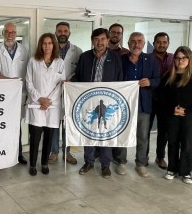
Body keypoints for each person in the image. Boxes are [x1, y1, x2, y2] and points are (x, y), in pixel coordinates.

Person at [73, 28, 122, 178]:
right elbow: (78, 77)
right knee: (89, 131)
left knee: (105, 133)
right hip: (88, 102)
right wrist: (69, 84)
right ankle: (88, 162)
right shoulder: (85, 57)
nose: (99, 42)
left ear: (107, 40)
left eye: (102, 39)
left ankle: (105, 165)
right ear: (92, 41)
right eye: (96, 39)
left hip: (107, 102)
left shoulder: (115, 58)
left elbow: (120, 79)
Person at [157, 46, 192, 184]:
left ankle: (185, 171)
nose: (181, 60)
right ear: (174, 60)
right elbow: (161, 96)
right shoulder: (168, 75)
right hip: (171, 114)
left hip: (190, 115)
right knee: (172, 141)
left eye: (184, 58)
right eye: (178, 58)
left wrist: (187, 111)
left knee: (187, 143)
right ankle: (172, 169)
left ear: (189, 59)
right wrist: (171, 109)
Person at [113, 32, 160, 177]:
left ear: (144, 44)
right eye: (133, 41)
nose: (136, 44)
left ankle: (141, 164)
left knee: (143, 137)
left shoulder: (151, 60)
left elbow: (159, 79)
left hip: (143, 105)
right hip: (123, 106)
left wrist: (151, 82)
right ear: (128, 44)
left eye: (139, 41)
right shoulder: (120, 59)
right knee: (123, 134)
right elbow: (114, 79)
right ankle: (121, 161)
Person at [25, 33, 65, 176]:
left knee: (49, 137)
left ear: (54, 45)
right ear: (40, 45)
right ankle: (32, 165)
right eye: (44, 43)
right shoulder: (33, 61)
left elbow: (61, 84)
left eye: (50, 43)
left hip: (53, 106)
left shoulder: (60, 62)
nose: (47, 46)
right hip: (36, 104)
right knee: (35, 137)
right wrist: (39, 99)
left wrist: (48, 101)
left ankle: (44, 163)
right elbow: (29, 82)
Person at [0, 22, 29, 164]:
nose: (10, 35)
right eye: (7, 32)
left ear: (16, 34)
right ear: (3, 33)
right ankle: (1, 153)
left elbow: (28, 73)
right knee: (1, 125)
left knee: (16, 126)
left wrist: (27, 93)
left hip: (19, 94)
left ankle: (18, 154)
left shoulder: (24, 50)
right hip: (2, 95)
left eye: (13, 32)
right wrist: (8, 81)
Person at [48, 21, 82, 165]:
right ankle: (54, 152)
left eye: (65, 31)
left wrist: (71, 80)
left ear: (69, 33)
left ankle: (67, 152)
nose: (62, 33)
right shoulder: (49, 49)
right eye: (60, 31)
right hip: (52, 91)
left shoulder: (78, 51)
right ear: (56, 33)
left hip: (70, 92)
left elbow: (80, 72)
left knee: (68, 124)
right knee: (54, 123)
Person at [148, 32, 174, 169]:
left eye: (164, 42)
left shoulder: (173, 58)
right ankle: (143, 157)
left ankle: (160, 157)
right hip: (149, 99)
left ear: (168, 44)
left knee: (163, 131)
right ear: (154, 43)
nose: (161, 45)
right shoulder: (147, 58)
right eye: (158, 42)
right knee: (145, 130)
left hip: (166, 101)